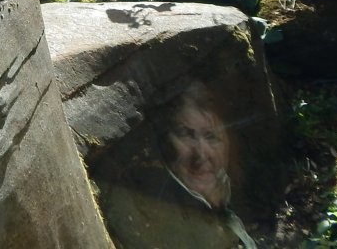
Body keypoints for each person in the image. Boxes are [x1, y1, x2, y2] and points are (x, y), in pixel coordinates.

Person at [98, 82, 258, 249]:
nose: (201, 154)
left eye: (211, 137)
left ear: (228, 142)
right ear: (164, 143)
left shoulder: (224, 194)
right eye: (185, 135)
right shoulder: (148, 209)